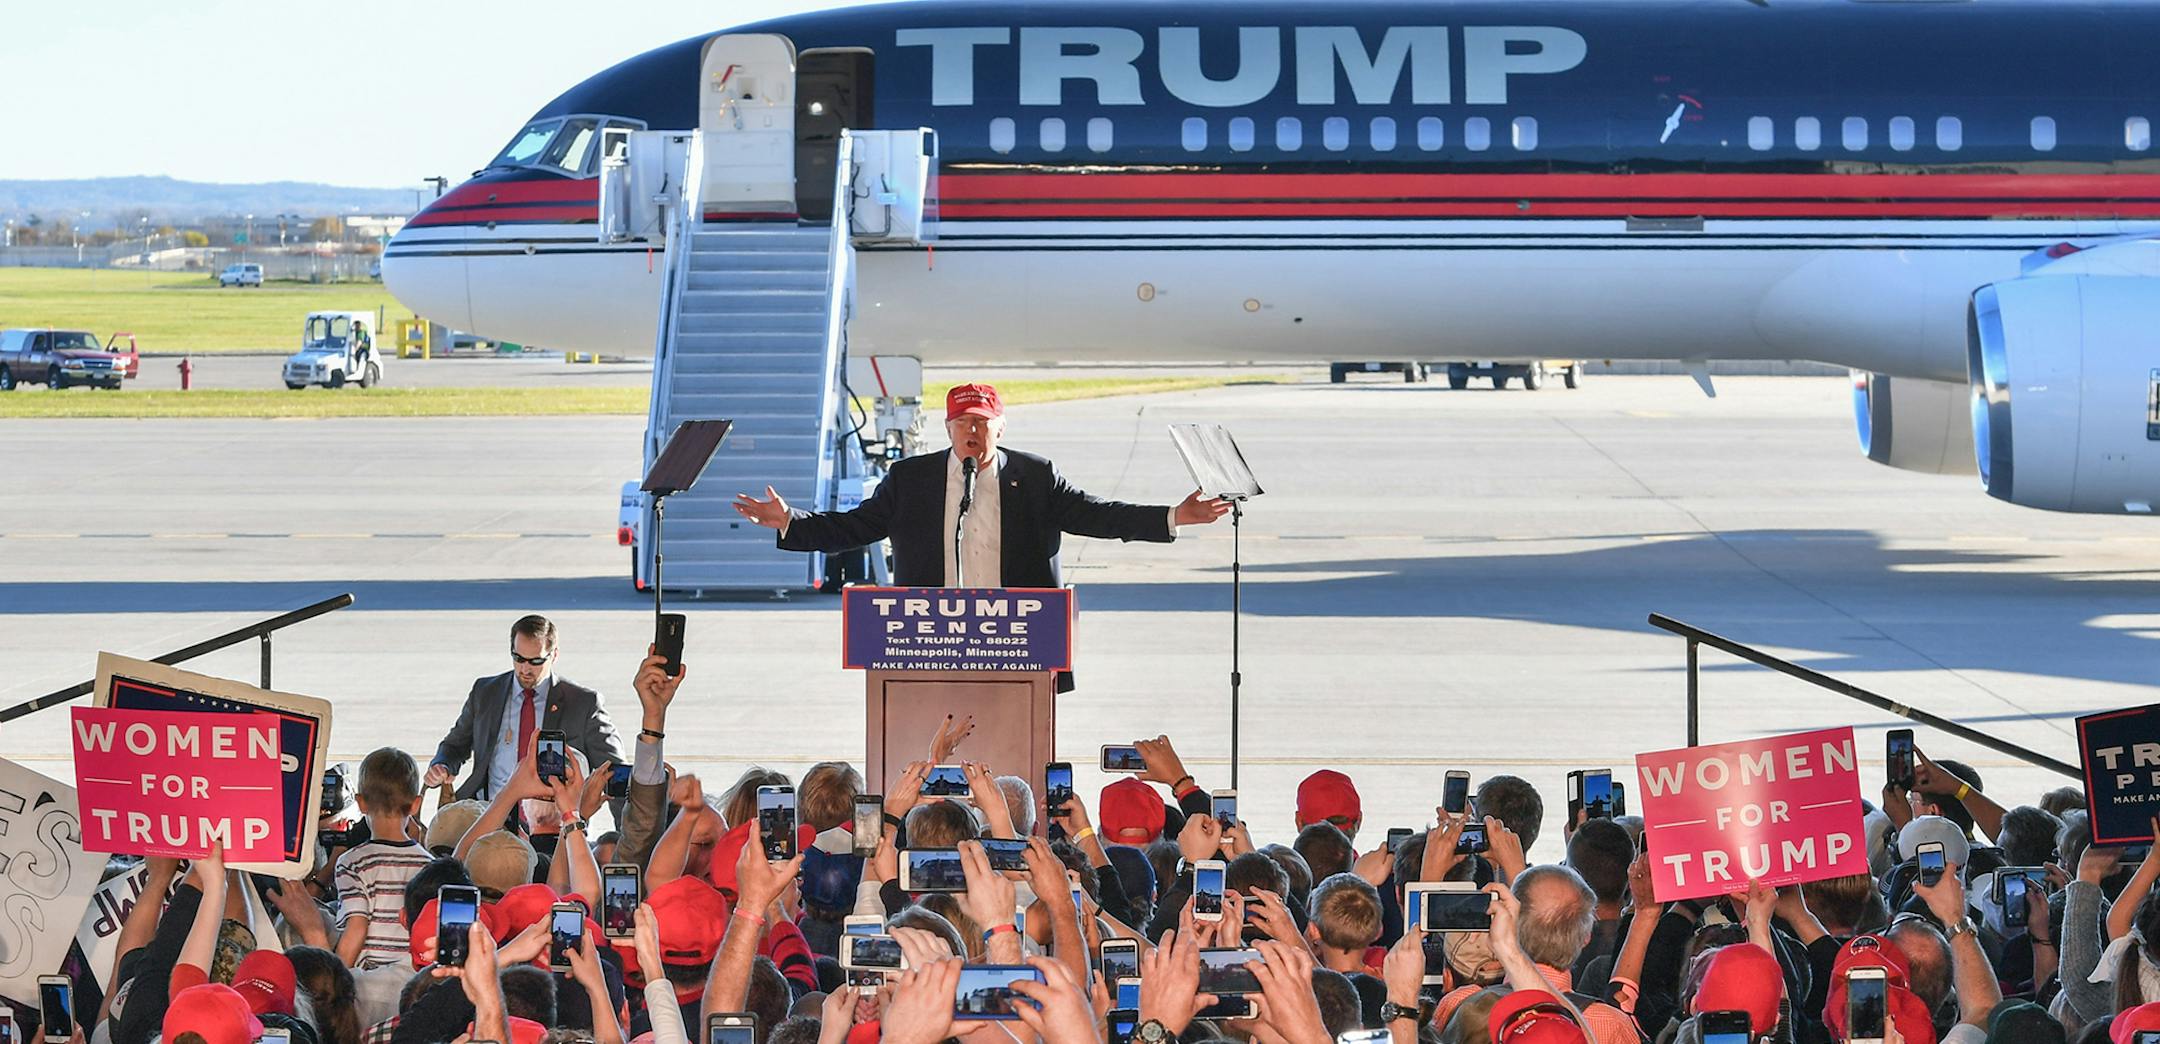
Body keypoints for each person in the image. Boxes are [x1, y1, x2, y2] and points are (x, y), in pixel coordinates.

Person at [730, 382, 1229, 588]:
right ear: (947, 429)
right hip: (930, 640)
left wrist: (1173, 516)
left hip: (1018, 637)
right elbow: (857, 527)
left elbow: (1099, 515)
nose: (973, 431)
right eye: (963, 423)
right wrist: (792, 522)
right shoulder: (912, 479)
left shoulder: (1034, 477)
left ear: (1000, 427)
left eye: (982, 423)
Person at [424, 614, 625, 802]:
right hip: (488, 812)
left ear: (554, 655)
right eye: (518, 658)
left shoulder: (583, 704)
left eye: (536, 661)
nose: (525, 669)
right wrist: (442, 765)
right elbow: (455, 745)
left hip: (550, 822)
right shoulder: (485, 692)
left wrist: (624, 835)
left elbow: (615, 772)